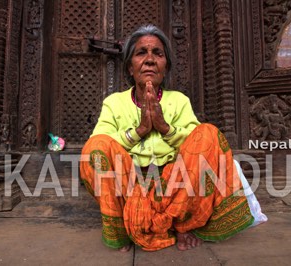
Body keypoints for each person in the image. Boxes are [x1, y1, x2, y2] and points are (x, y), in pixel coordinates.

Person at [80, 24, 256, 252]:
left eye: (158, 53)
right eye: (141, 52)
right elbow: (100, 144)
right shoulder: (114, 103)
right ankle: (123, 227)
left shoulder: (179, 100)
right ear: (130, 68)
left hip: (175, 186)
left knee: (208, 134)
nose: (150, 59)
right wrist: (140, 131)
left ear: (165, 67)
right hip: (132, 186)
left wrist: (165, 128)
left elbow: (198, 144)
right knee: (95, 147)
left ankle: (183, 225)